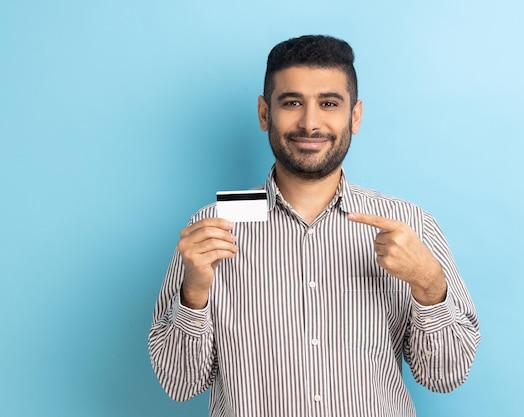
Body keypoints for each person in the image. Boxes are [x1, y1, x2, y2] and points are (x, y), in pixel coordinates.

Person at [148, 35, 480, 417]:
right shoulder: (213, 226)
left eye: (328, 103)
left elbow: (446, 376)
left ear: (354, 116)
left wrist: (428, 284)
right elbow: (179, 383)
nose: (310, 122)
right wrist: (193, 293)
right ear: (263, 113)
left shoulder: (408, 224)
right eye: (291, 103)